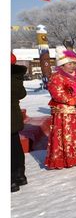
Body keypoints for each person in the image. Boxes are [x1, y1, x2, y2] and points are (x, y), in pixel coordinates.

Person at [11, 53, 28, 192]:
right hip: (13, 116)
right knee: (15, 146)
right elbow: (21, 93)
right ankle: (19, 175)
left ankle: (11, 179)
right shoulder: (15, 76)